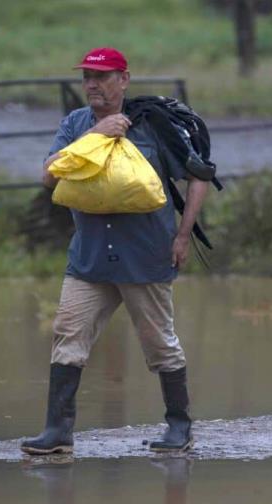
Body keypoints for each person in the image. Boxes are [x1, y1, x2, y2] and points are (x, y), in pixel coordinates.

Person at [21, 47, 209, 455]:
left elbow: (199, 176)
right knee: (67, 336)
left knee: (160, 343)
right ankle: (57, 432)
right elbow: (48, 176)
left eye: (103, 76)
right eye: (87, 76)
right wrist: (95, 136)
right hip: (88, 258)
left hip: (145, 256)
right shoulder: (75, 124)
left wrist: (182, 236)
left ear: (124, 80)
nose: (92, 84)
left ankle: (179, 427)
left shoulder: (153, 127)